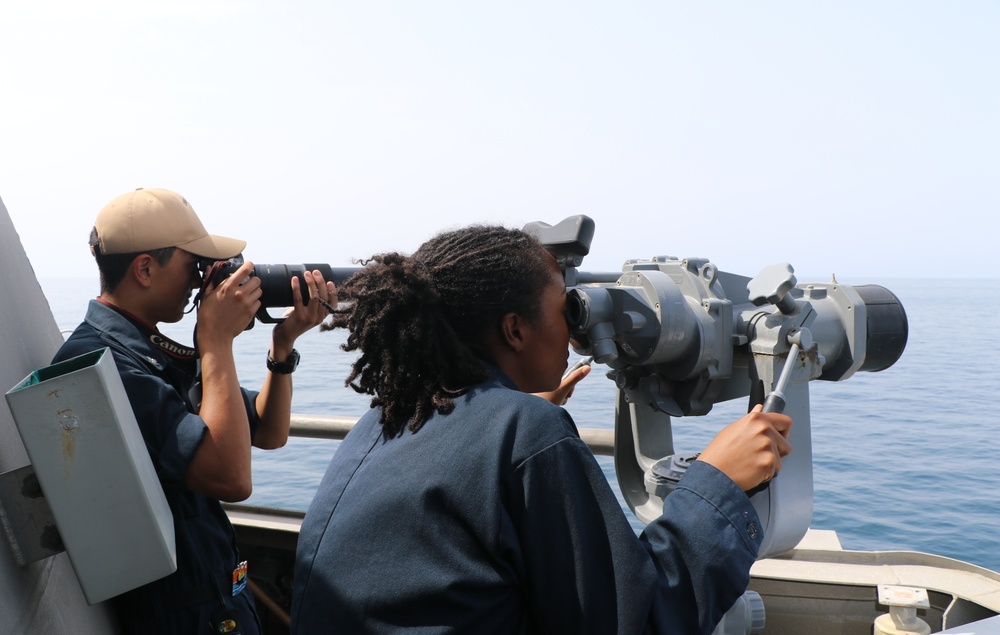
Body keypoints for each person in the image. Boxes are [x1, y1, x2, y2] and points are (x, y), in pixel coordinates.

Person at [290, 225, 792, 634]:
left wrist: (507, 410)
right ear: (514, 330)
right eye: (563, 310)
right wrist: (717, 483)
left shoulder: (387, 417)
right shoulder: (525, 432)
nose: (574, 336)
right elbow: (636, 622)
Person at [52, 188, 335, 634]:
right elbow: (232, 478)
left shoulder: (146, 348)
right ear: (145, 269)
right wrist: (216, 341)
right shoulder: (100, 364)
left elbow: (266, 432)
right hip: (182, 617)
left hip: (215, 599)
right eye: (193, 265)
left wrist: (283, 345)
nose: (201, 281)